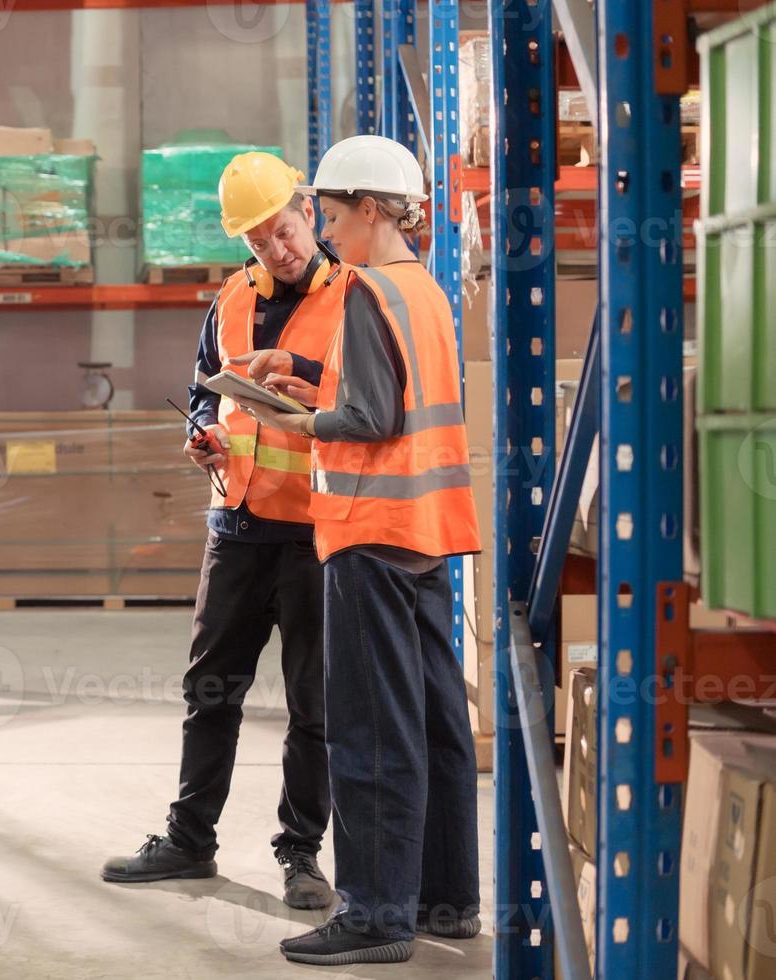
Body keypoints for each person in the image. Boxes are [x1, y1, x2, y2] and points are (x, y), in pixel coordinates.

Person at [237, 135, 483, 966]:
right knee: (437, 723)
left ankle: (377, 913)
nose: (328, 232)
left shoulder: (366, 292)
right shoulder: (422, 290)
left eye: (334, 216)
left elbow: (370, 420)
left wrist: (302, 422)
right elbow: (394, 400)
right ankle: (446, 904)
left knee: (372, 730)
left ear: (372, 210)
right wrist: (312, 379)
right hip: (427, 534)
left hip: (370, 534)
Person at [100, 152, 344, 911]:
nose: (279, 248)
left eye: (284, 229)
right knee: (210, 690)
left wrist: (303, 371)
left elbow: (370, 404)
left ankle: (301, 855)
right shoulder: (230, 301)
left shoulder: (356, 297)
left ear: (308, 208)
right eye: (260, 240)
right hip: (236, 524)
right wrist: (203, 432)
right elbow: (208, 389)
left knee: (315, 707)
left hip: (314, 531)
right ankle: (189, 839)